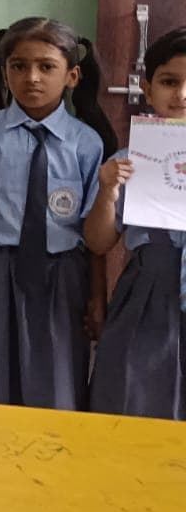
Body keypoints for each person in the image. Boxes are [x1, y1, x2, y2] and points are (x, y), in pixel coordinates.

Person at [0, 17, 116, 410]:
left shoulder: (87, 143)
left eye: (46, 66)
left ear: (72, 75)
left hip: (62, 275)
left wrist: (98, 298)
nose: (32, 77)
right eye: (19, 66)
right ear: (5, 72)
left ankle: (46, 470)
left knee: (57, 381)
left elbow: (93, 233)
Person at [85, 26, 186, 419]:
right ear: (147, 88)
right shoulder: (128, 159)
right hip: (147, 289)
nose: (181, 94)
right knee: (133, 388)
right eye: (169, 81)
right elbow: (97, 242)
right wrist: (108, 191)